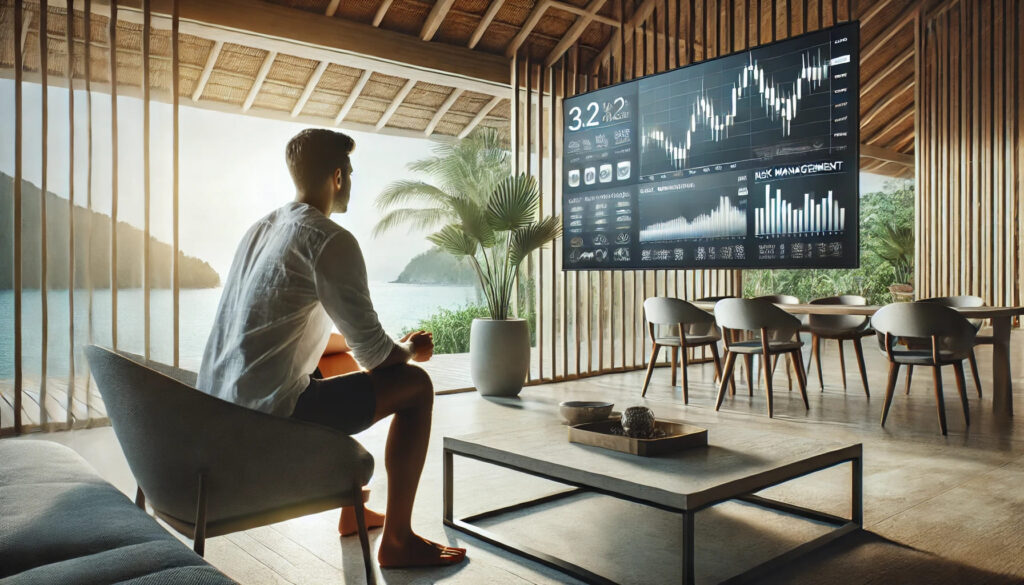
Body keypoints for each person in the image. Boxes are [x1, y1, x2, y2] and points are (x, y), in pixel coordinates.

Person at [197, 128, 466, 568]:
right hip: (270, 421)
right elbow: (378, 357)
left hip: (223, 409)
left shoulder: (261, 229)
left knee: (335, 356)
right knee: (415, 386)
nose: (352, 183)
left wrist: (384, 346)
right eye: (352, 174)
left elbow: (313, 337)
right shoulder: (329, 239)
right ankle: (398, 540)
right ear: (337, 176)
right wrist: (410, 348)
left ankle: (351, 507)